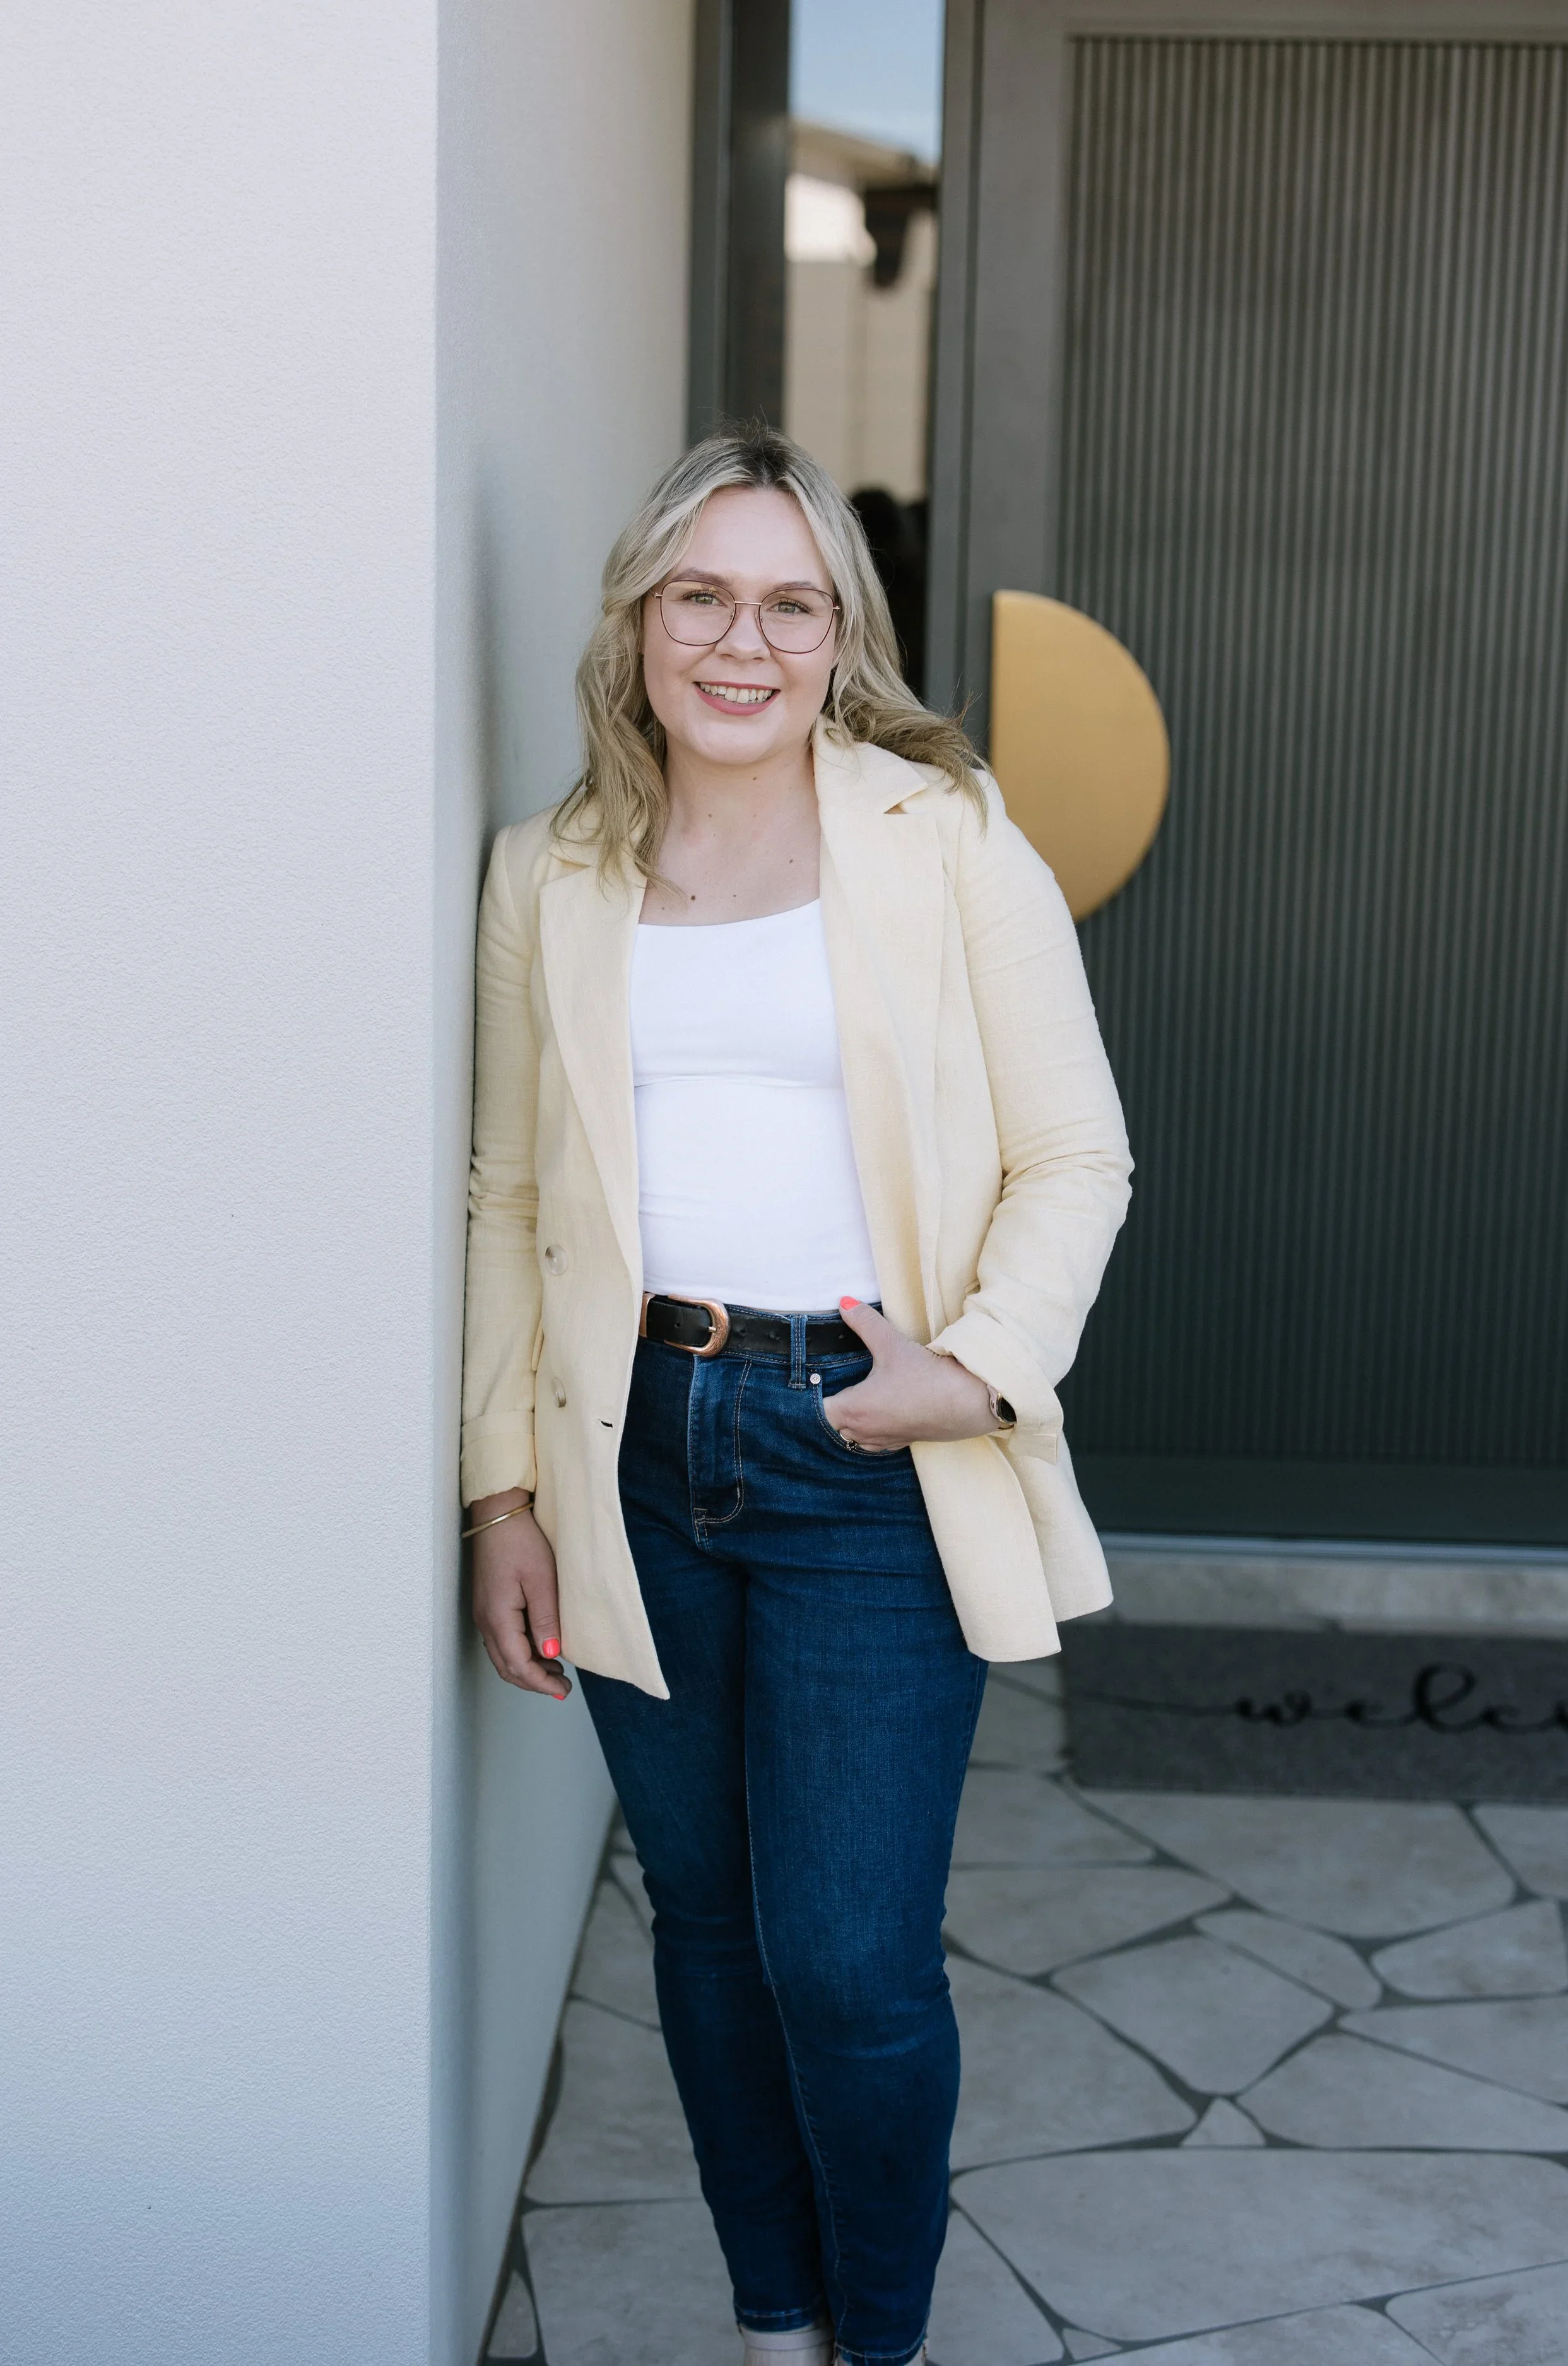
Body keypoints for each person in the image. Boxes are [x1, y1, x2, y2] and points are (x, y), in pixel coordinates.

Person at [461, 427, 1131, 2366]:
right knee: (705, 1932)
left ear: (839, 635)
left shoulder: (943, 834)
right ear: (640, 622)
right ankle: (776, 2323)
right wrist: (503, 1489)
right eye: (701, 596)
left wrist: (974, 1372)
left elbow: (1074, 1155)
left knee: (843, 1961)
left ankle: (878, 2338)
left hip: (863, 1451)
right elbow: (507, 1195)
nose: (739, 640)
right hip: (635, 1455)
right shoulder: (551, 874)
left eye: (785, 602)